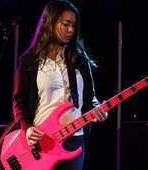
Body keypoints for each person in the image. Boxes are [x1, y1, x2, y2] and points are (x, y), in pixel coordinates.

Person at [12, 0, 108, 169]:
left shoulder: (80, 60)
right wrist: (27, 128)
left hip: (74, 138)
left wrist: (98, 110)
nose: (71, 30)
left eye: (73, 25)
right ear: (50, 22)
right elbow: (18, 100)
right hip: (41, 140)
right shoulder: (29, 62)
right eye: (65, 24)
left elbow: (90, 98)